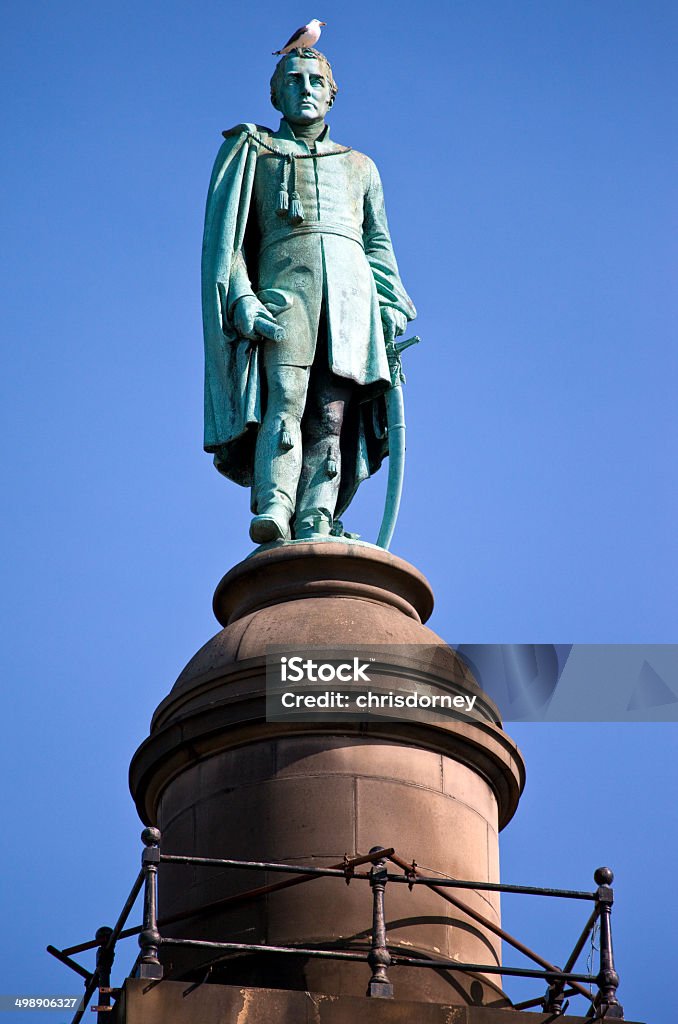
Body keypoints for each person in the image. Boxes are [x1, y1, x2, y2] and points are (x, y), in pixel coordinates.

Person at [202, 48, 416, 543]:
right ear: (275, 93)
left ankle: (317, 513)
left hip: (350, 303)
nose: (306, 89)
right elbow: (228, 242)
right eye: (294, 80)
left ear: (332, 95)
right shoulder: (253, 150)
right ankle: (275, 503)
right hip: (284, 295)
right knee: (286, 400)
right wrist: (241, 299)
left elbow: (378, 244)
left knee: (331, 415)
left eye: (317, 81)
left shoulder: (360, 166)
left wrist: (389, 304)